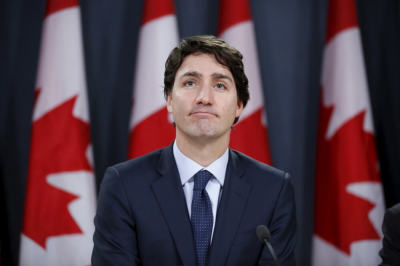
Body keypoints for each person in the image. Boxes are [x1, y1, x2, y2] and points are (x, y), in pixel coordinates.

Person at [91, 35, 296, 266]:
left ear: (238, 106)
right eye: (190, 83)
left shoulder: (273, 190)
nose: (204, 98)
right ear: (169, 100)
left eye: (220, 85)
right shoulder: (123, 185)